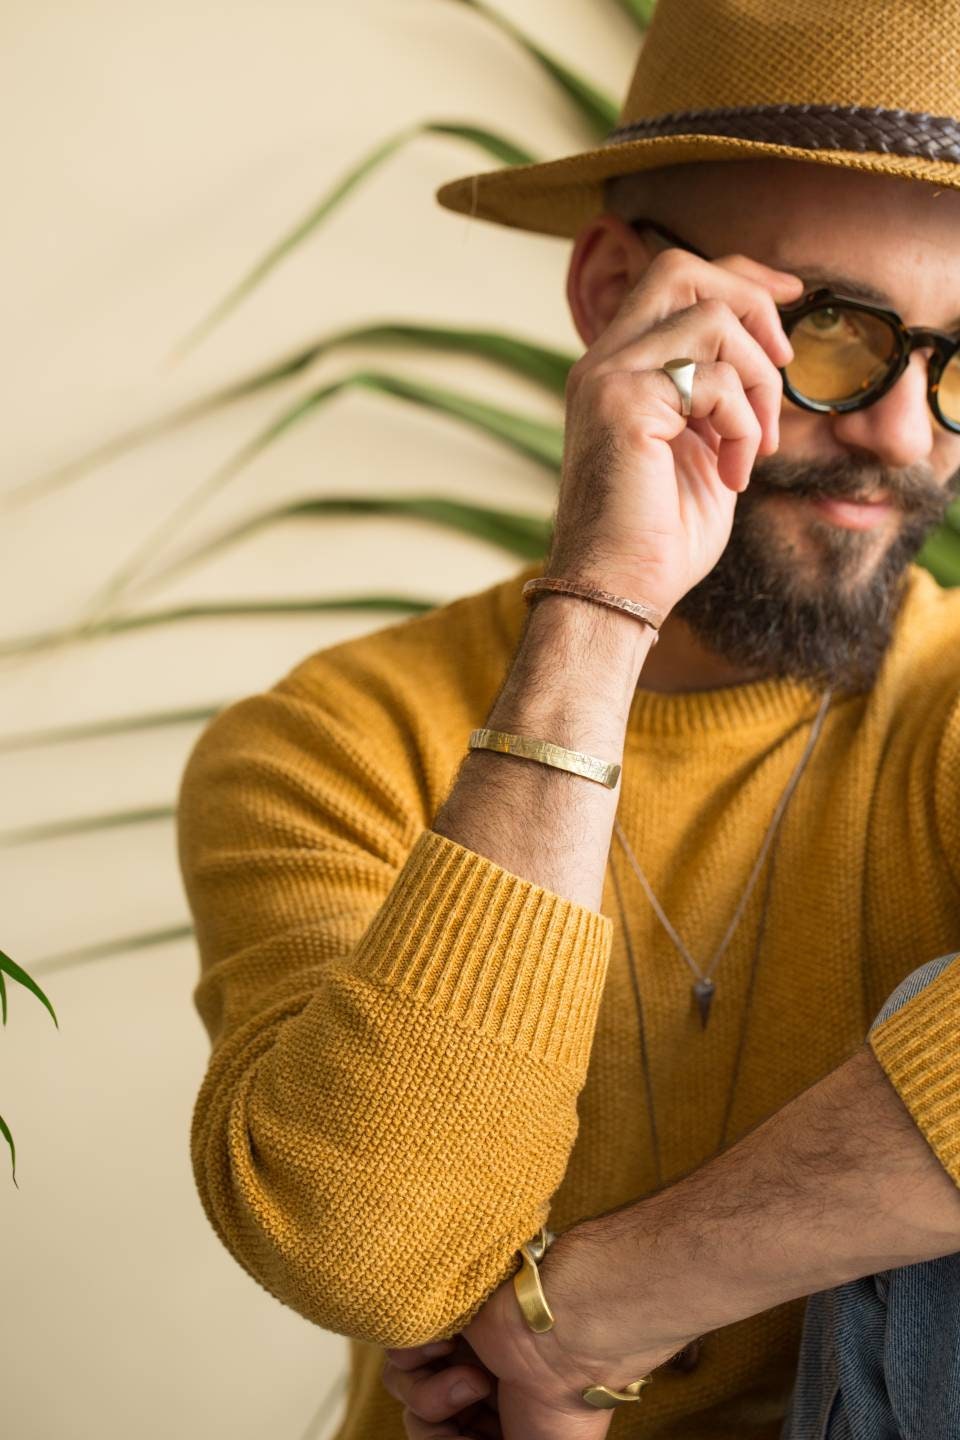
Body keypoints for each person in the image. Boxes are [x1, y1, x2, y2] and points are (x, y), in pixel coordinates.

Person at [176, 1, 960, 1436]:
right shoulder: (335, 741)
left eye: (959, 363)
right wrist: (602, 603)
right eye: (831, 333)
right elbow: (372, 1250)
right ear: (614, 295)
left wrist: (600, 1306)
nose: (905, 437)